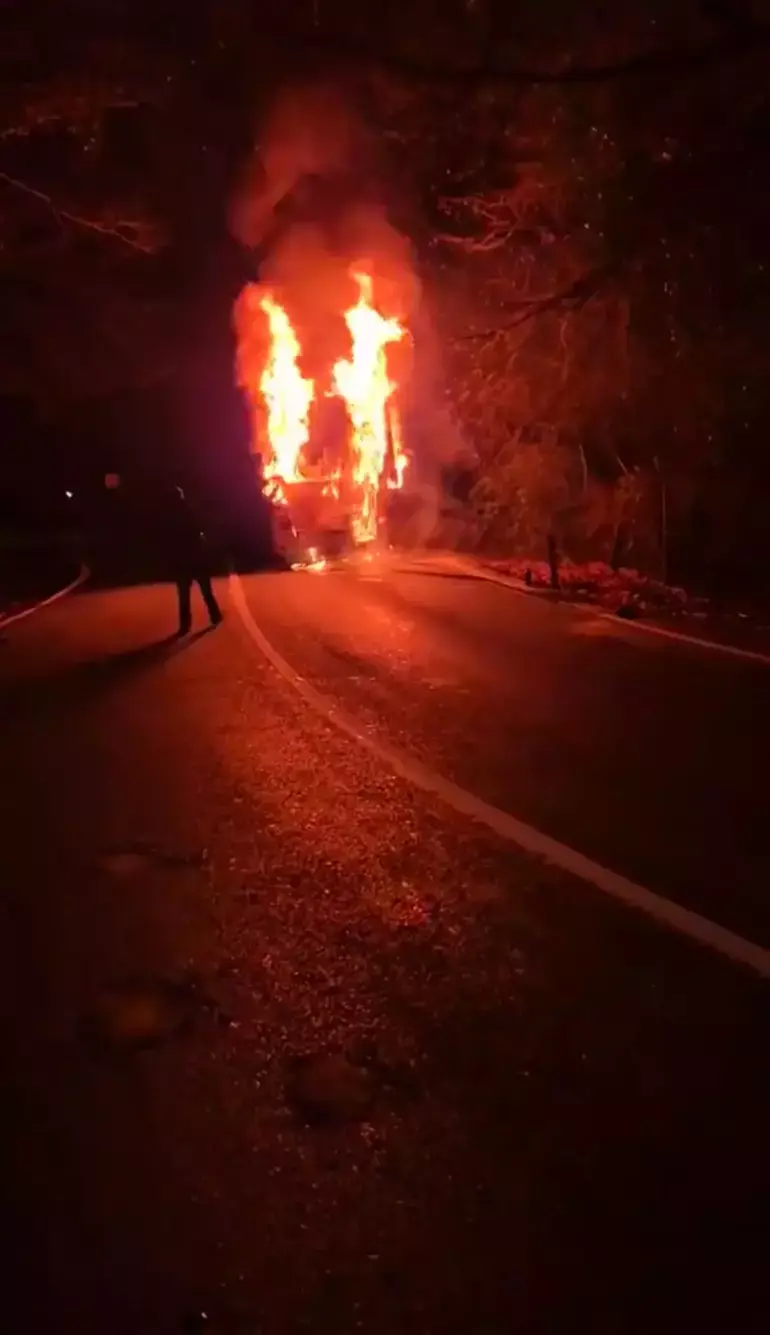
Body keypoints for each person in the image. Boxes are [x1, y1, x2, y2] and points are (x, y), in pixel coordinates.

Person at [164, 485, 223, 635]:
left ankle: (185, 625)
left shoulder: (170, 517)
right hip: (196, 558)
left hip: (183, 560)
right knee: (205, 590)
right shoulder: (189, 511)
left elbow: (169, 540)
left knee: (184, 594)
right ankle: (215, 615)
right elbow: (199, 530)